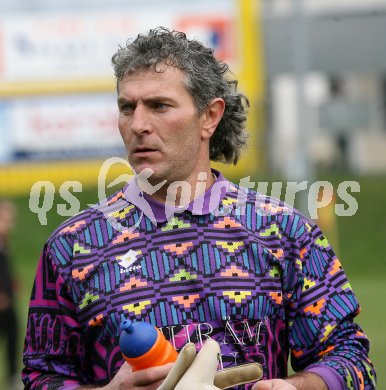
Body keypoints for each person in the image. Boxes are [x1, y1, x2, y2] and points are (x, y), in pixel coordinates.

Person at [22, 27, 376, 389]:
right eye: (127, 107)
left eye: (159, 105)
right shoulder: (72, 247)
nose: (139, 125)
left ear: (209, 116)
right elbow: (41, 377)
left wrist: (294, 387)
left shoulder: (284, 232)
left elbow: (350, 361)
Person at [0, 201, 20, 389]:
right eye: (7, 217)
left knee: (13, 334)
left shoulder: (4, 240)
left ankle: (13, 375)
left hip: (7, 299)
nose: (11, 221)